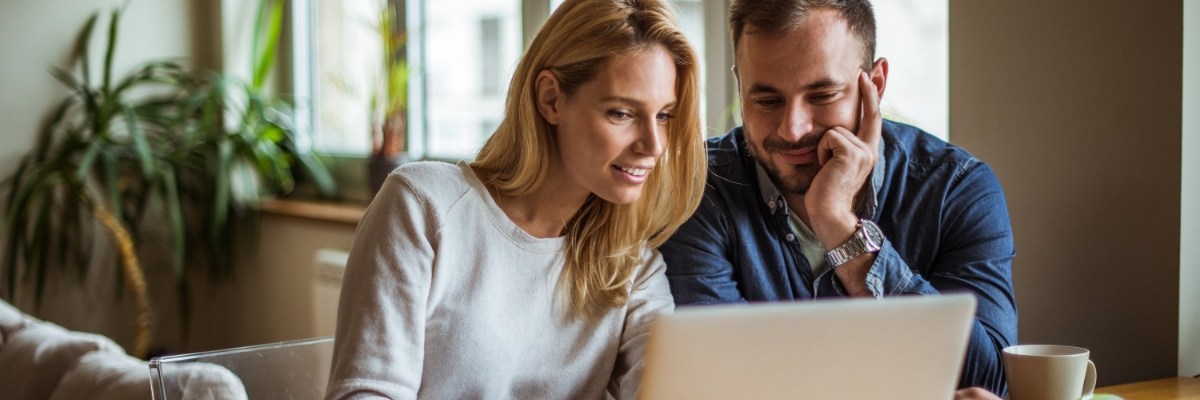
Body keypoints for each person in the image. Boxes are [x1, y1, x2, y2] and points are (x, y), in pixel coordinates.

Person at [323, 0, 705, 398]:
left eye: (664, 115)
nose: (654, 145)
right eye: (622, 113)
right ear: (551, 99)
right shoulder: (423, 207)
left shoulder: (633, 267)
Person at [659, 0, 1017, 396]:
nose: (793, 130)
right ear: (740, 84)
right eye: (767, 100)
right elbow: (715, 384)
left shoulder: (957, 190)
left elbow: (989, 383)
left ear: (875, 85)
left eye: (822, 95)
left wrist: (841, 227)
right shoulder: (697, 189)